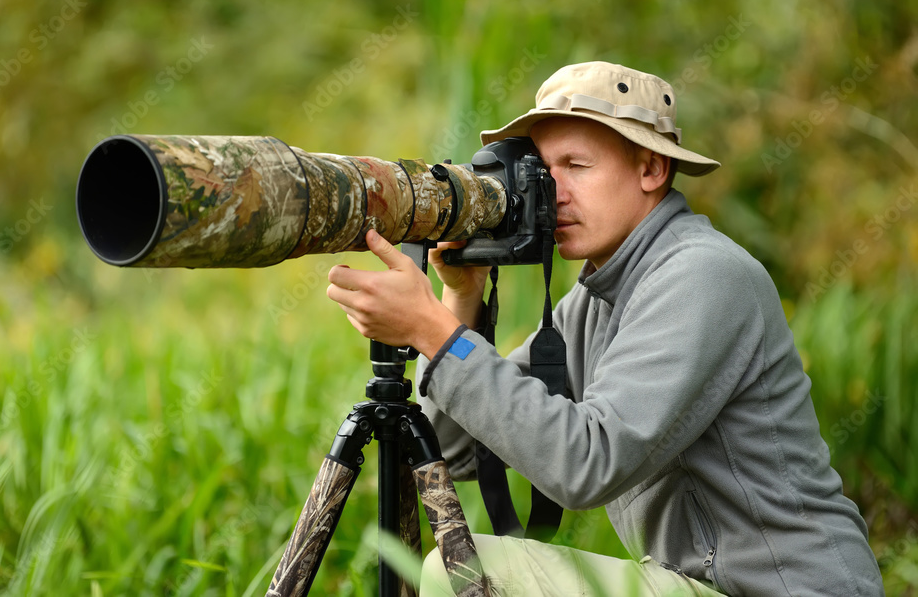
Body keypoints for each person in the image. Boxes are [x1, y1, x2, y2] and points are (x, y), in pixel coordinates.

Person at [326, 62, 884, 596]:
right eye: (545, 171)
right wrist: (460, 300)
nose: (553, 193)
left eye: (578, 165)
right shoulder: (596, 297)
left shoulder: (703, 274)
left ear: (651, 168)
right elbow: (457, 451)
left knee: (464, 571)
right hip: (693, 586)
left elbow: (585, 466)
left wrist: (431, 332)